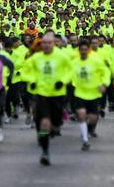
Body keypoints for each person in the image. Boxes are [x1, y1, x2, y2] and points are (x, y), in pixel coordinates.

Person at [21, 31, 73, 165]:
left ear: (54, 43)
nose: (46, 45)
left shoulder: (62, 57)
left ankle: (53, 129)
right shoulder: (35, 58)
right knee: (44, 123)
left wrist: (63, 80)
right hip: (41, 94)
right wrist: (31, 80)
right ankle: (45, 150)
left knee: (55, 124)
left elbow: (70, 70)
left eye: (49, 43)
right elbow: (25, 72)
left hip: (57, 94)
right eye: (44, 43)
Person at [71, 39, 110, 150]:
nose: (83, 51)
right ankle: (85, 140)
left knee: (93, 118)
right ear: (79, 51)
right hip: (79, 92)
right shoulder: (74, 62)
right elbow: (68, 73)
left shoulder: (96, 60)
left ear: (88, 50)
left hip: (94, 93)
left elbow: (106, 72)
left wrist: (104, 84)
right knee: (81, 114)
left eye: (85, 49)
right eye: (81, 50)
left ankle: (88, 129)